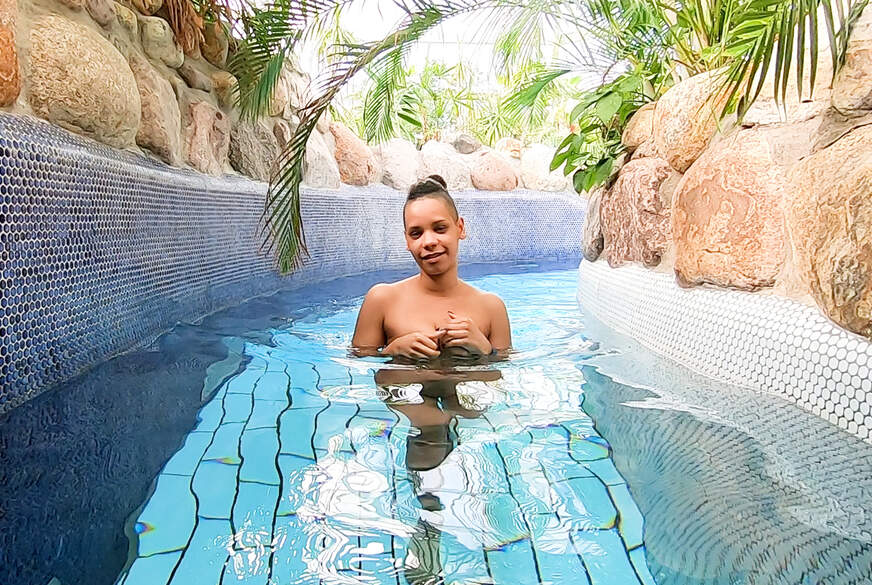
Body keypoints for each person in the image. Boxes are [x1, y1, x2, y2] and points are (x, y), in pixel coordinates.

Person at [351, 175, 511, 359]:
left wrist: (486, 350)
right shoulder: (382, 300)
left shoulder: (492, 308)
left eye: (440, 228)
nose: (428, 241)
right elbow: (357, 363)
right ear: (407, 240)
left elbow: (504, 372)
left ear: (460, 228)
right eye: (416, 233)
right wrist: (392, 351)